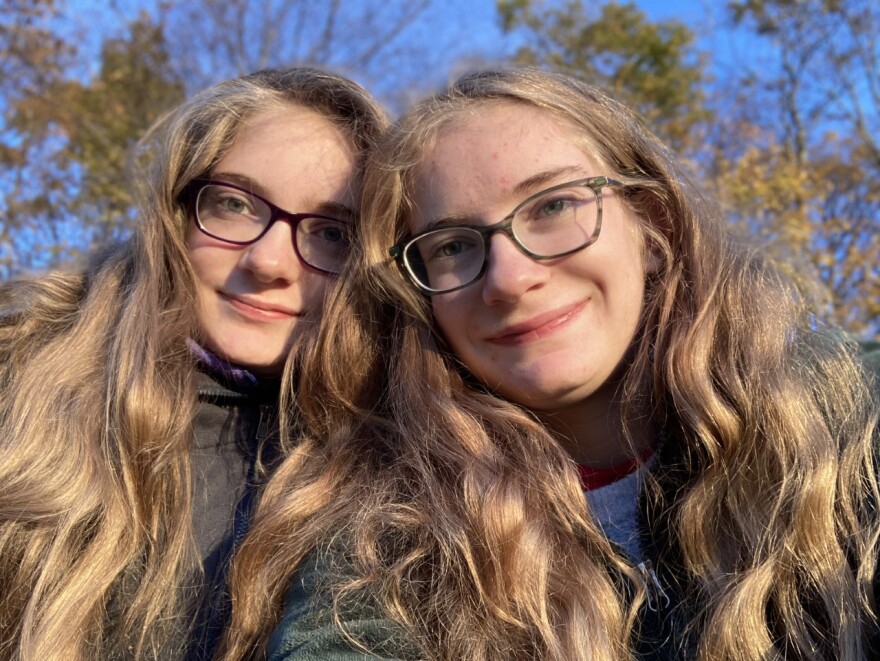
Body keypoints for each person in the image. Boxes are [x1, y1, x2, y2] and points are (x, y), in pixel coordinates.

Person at [221, 69, 880, 660]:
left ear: (652, 230)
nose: (509, 278)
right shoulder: (385, 532)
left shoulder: (843, 416)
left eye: (554, 206)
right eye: (452, 245)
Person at [0, 67, 386, 660]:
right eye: (235, 204)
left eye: (332, 233)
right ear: (175, 213)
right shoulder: (20, 369)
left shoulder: (389, 457)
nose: (268, 261)